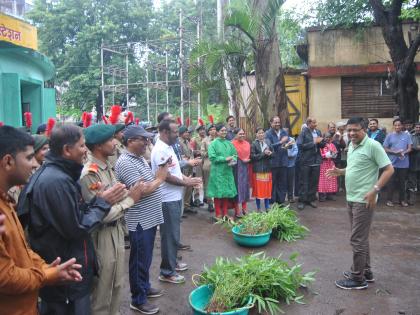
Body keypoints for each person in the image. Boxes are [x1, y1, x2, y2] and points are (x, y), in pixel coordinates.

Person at [19, 124, 127, 315]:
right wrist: (102, 203)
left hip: (69, 271)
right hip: (66, 276)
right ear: (67, 150)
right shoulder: (55, 181)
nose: (86, 150)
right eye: (82, 146)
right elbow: (76, 228)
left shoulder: (60, 175)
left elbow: (73, 214)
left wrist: (97, 200)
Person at [0, 126, 83, 315]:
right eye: (29, 158)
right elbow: (5, 277)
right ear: (8, 161)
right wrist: (47, 275)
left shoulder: (6, 201)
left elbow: (22, 249)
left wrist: (45, 267)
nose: (35, 164)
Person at [79, 124, 146, 315]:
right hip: (102, 235)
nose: (115, 143)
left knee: (117, 284)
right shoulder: (90, 174)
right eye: (110, 140)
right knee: (102, 289)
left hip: (116, 232)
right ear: (99, 145)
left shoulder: (108, 167)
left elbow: (121, 195)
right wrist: (129, 201)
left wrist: (125, 198)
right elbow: (100, 214)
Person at [327, 117, 394, 290]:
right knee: (361, 238)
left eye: (355, 130)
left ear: (364, 129)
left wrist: (375, 190)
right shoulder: (352, 145)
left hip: (364, 200)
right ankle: (367, 272)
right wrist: (340, 171)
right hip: (352, 198)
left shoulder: (373, 145)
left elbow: (389, 169)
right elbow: (354, 167)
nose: (351, 133)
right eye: (349, 130)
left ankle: (358, 279)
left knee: (357, 239)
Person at [115, 125, 169, 314]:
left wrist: (157, 177)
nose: (147, 142)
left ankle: (144, 287)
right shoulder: (125, 162)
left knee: (145, 258)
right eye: (142, 139)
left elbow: (147, 183)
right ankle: (137, 299)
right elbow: (142, 190)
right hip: (139, 220)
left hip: (149, 218)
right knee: (138, 260)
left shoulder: (137, 158)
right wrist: (160, 179)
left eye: (147, 139)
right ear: (130, 142)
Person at [151, 120, 202, 284]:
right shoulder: (160, 150)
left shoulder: (168, 147)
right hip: (167, 199)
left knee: (173, 235)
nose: (177, 134)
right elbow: (165, 176)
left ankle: (172, 264)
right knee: (169, 236)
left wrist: (187, 178)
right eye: (174, 132)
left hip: (174, 197)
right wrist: (186, 183)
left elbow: (175, 171)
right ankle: (167, 272)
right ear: (165, 132)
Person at [207, 124, 238, 219]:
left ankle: (225, 213)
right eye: (222, 130)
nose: (224, 132)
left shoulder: (229, 143)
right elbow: (212, 157)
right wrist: (225, 159)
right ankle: (218, 214)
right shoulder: (213, 144)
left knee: (226, 193)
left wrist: (233, 160)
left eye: (225, 130)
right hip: (217, 172)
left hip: (227, 171)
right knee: (217, 194)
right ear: (217, 132)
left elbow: (235, 154)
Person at [297, 117, 325, 210]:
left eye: (316, 122)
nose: (316, 124)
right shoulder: (303, 132)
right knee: (304, 182)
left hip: (316, 160)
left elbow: (321, 145)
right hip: (306, 161)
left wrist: (323, 142)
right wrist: (313, 143)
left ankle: (311, 199)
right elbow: (300, 145)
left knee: (314, 182)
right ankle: (302, 200)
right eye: (314, 122)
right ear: (309, 123)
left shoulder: (318, 132)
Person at [383, 118, 412, 207]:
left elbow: (409, 148)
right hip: (392, 163)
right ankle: (389, 200)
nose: (397, 127)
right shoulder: (389, 136)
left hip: (403, 163)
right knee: (391, 182)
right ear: (393, 126)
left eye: (399, 125)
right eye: (395, 125)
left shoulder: (407, 136)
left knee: (402, 182)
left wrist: (403, 152)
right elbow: (384, 148)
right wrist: (394, 152)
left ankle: (402, 200)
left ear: (402, 126)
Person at [265, 116, 289, 204]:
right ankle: (272, 202)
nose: (278, 124)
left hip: (283, 161)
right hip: (273, 162)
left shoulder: (284, 132)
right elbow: (269, 146)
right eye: (275, 122)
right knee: (273, 183)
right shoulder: (267, 133)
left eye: (279, 122)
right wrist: (281, 142)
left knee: (282, 183)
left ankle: (281, 201)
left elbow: (288, 143)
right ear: (271, 123)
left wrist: (288, 145)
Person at [251, 127, 273, 211]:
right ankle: (258, 208)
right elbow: (253, 157)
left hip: (267, 170)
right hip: (258, 171)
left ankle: (267, 207)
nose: (261, 134)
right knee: (258, 191)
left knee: (267, 190)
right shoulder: (253, 144)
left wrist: (270, 154)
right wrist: (264, 154)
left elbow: (273, 154)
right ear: (256, 134)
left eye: (262, 132)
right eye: (259, 133)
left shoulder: (268, 142)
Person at [232, 128, 251, 217]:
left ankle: (244, 209)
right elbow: (231, 156)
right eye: (240, 134)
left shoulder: (247, 144)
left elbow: (249, 154)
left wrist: (247, 160)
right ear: (235, 135)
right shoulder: (232, 144)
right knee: (237, 188)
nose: (242, 135)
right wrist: (240, 159)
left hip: (245, 167)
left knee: (245, 187)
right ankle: (237, 210)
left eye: (243, 133)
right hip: (236, 167)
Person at [178, 126, 197, 214]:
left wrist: (193, 161)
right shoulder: (178, 142)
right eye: (185, 132)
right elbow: (181, 156)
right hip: (184, 167)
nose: (187, 133)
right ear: (181, 133)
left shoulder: (187, 141)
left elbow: (191, 153)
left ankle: (187, 205)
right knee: (184, 186)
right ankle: (182, 207)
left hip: (190, 165)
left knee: (189, 186)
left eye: (187, 132)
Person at [201, 124, 217, 212]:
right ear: (208, 131)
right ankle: (210, 202)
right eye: (211, 129)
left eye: (214, 129)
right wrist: (210, 151)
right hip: (208, 164)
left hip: (218, 165)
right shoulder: (205, 140)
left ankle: (218, 202)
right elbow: (202, 153)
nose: (213, 131)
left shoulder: (219, 140)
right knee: (208, 184)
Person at [318, 133, 338, 201]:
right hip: (323, 164)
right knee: (323, 180)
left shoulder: (332, 145)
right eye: (326, 137)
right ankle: (322, 196)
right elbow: (320, 154)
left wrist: (334, 154)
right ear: (323, 138)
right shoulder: (321, 145)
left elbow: (335, 153)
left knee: (331, 179)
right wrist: (327, 155)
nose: (328, 139)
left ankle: (329, 195)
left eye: (329, 137)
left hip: (331, 164)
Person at [191, 124, 206, 206]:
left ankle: (206, 198)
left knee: (207, 180)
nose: (202, 131)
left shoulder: (207, 139)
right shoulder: (194, 140)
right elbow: (192, 151)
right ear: (198, 131)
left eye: (203, 129)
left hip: (206, 161)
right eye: (200, 130)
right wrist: (198, 152)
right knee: (198, 179)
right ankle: (196, 198)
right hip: (198, 161)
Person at [408, 123, 420, 200]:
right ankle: (412, 197)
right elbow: (409, 147)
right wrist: (416, 148)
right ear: (414, 127)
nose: (418, 128)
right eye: (417, 127)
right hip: (413, 159)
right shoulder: (410, 136)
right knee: (412, 176)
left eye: (419, 127)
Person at [286, 136, 298, 203]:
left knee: (290, 182)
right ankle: (281, 197)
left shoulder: (291, 139)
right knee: (282, 182)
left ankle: (290, 197)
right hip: (282, 165)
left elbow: (296, 150)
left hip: (291, 164)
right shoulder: (280, 139)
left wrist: (291, 155)